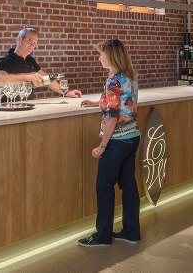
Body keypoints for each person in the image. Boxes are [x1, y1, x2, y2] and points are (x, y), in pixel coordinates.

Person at [78, 39, 140, 247]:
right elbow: (123, 103)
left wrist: (102, 146)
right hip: (132, 137)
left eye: (101, 54)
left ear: (111, 56)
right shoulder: (129, 76)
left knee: (104, 187)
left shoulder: (113, 81)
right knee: (129, 186)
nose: (99, 57)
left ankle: (103, 236)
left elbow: (113, 117)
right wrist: (97, 102)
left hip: (117, 140)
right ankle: (131, 232)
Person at [0, 27, 82, 100]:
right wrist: (27, 76)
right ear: (20, 39)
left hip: (28, 106)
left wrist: (66, 92)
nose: (33, 45)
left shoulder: (30, 60)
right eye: (30, 41)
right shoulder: (5, 61)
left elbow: (46, 79)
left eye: (35, 43)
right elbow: (0, 78)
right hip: (9, 108)